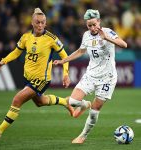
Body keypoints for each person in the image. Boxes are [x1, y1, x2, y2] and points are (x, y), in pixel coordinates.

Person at [0, 8, 74, 140]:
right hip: (28, 78)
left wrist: (65, 74)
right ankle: (65, 101)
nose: (40, 25)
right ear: (32, 22)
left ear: (46, 23)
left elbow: (65, 56)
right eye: (37, 22)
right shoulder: (25, 37)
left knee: (17, 99)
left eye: (42, 22)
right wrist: (4, 60)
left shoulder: (51, 38)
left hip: (42, 79)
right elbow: (17, 52)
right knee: (40, 102)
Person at [53, 9, 127, 144]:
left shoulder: (108, 32)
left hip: (107, 79)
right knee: (72, 102)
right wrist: (64, 60)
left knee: (94, 111)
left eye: (94, 24)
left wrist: (106, 38)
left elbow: (124, 44)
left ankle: (82, 136)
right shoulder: (86, 35)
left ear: (99, 22)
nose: (92, 28)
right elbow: (81, 51)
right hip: (91, 75)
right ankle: (84, 104)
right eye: (89, 25)